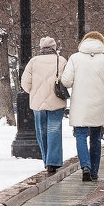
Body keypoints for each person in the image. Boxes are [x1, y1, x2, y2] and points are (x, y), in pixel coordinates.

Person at [60, 31, 104, 182]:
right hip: (98, 105)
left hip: (79, 104)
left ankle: (85, 166)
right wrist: (103, 98)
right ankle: (94, 171)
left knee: (80, 135)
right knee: (95, 137)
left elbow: (66, 82)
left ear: (84, 42)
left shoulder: (75, 58)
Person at [19, 37, 68, 174]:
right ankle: (54, 161)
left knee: (41, 131)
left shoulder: (33, 61)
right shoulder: (61, 60)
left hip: (38, 103)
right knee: (54, 130)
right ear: (54, 47)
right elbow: (67, 80)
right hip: (56, 101)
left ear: (41, 48)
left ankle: (46, 160)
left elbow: (25, 82)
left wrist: (34, 92)